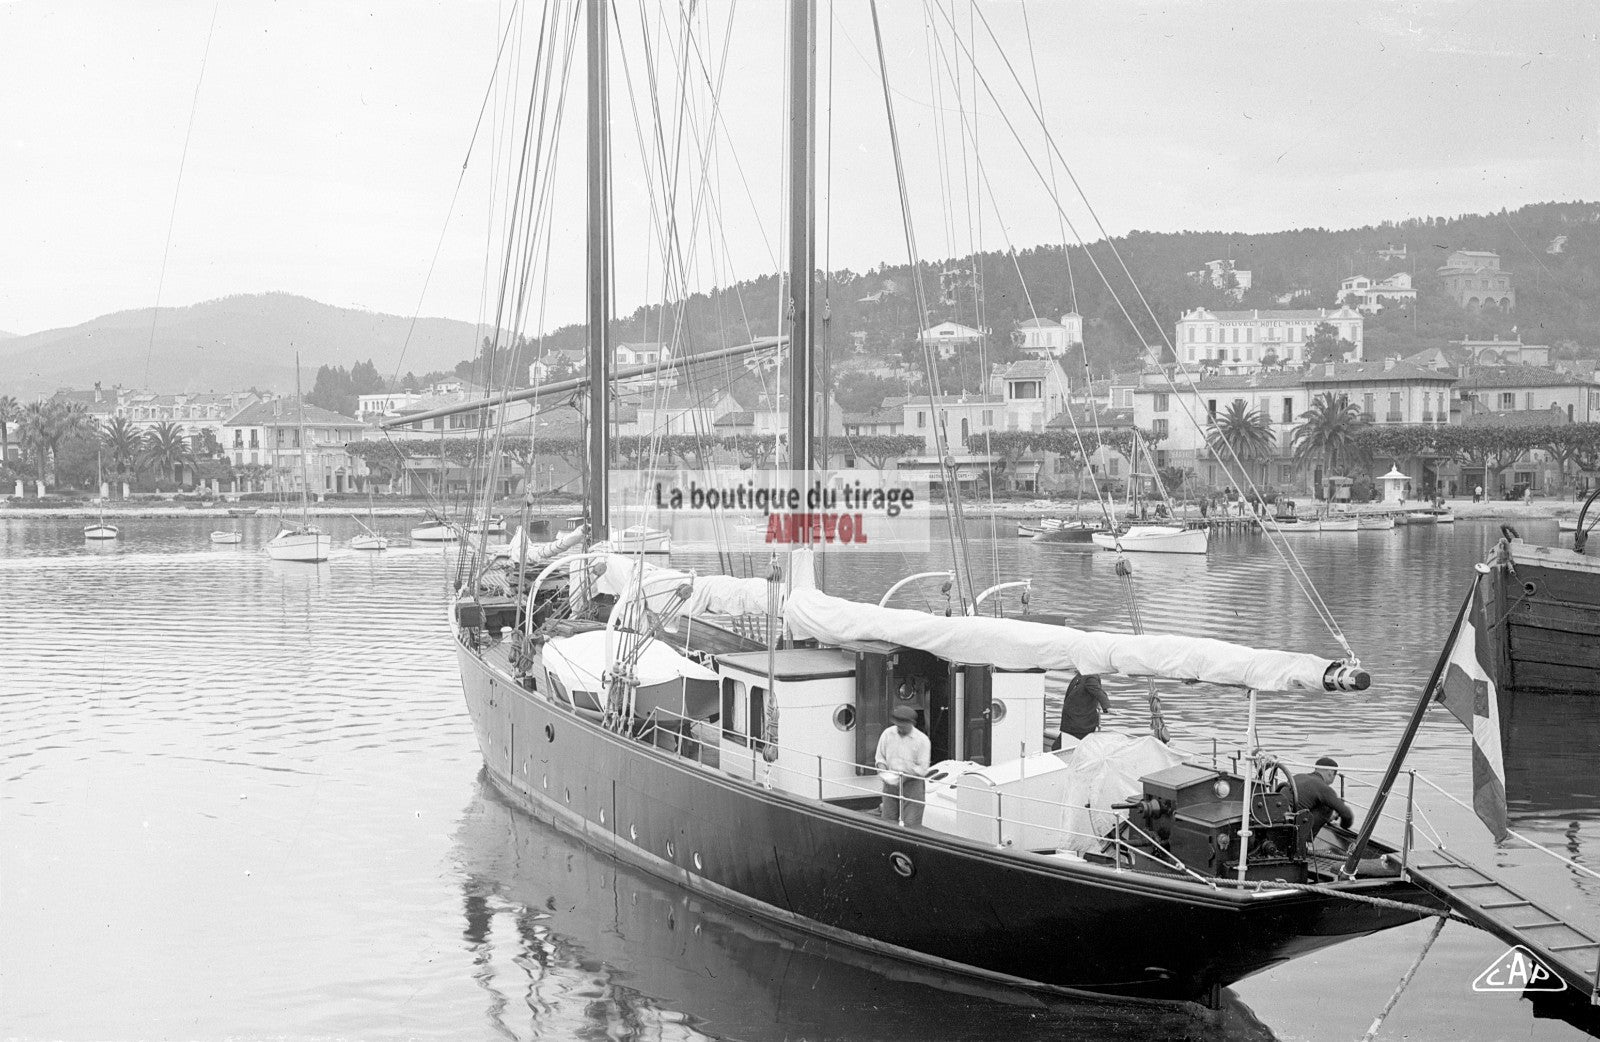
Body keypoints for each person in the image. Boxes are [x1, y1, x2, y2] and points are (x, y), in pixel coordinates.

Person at [875, 705, 930, 827]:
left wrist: (904, 777)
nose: (900, 728)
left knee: (911, 824)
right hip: (890, 783)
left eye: (903, 726)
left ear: (912, 723)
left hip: (912, 784)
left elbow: (922, 768)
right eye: (898, 725)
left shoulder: (922, 740)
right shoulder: (887, 734)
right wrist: (883, 772)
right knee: (888, 822)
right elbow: (880, 758)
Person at [1281, 756, 1354, 838]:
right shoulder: (1323, 787)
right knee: (1327, 806)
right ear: (1330, 772)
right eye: (1335, 775)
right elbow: (1347, 814)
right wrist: (1343, 826)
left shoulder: (1298, 776)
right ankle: (1306, 842)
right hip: (1291, 828)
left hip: (1277, 817)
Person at [1057, 672, 1109, 744]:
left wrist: (1106, 707)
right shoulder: (1081, 675)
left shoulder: (1090, 677)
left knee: (1058, 747)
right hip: (1071, 723)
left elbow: (1099, 693)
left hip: (1079, 725)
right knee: (1058, 746)